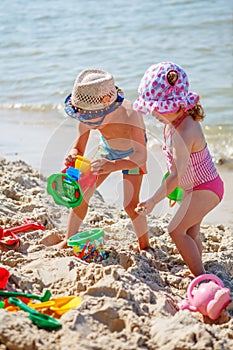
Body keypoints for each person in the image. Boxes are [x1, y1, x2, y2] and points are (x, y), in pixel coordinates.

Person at [133, 61, 224, 276]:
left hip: (206, 188)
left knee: (175, 230)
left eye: (157, 107)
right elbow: (176, 169)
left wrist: (153, 200)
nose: (153, 112)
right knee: (191, 232)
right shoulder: (172, 123)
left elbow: (177, 173)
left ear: (178, 104)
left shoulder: (185, 132)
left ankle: (201, 276)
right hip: (194, 187)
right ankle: (197, 264)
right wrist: (177, 190)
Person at [56, 68, 150, 251]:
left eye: (90, 117)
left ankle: (145, 246)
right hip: (107, 149)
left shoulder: (131, 114)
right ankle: (69, 240)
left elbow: (141, 156)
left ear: (108, 106)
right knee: (81, 195)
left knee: (130, 205)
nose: (86, 121)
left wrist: (113, 165)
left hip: (132, 154)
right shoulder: (85, 113)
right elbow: (79, 147)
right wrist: (74, 154)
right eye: (83, 116)